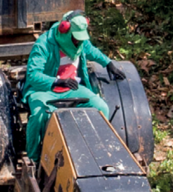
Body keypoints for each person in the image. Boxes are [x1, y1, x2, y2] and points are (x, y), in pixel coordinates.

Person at [22, 11, 115, 161]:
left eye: (80, 39)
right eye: (75, 39)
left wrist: (108, 63)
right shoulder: (43, 44)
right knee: (39, 115)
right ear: (64, 30)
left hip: (71, 88)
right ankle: (34, 158)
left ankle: (96, 152)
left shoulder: (81, 42)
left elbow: (91, 50)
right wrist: (57, 81)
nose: (78, 43)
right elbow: (33, 75)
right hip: (44, 90)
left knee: (101, 107)